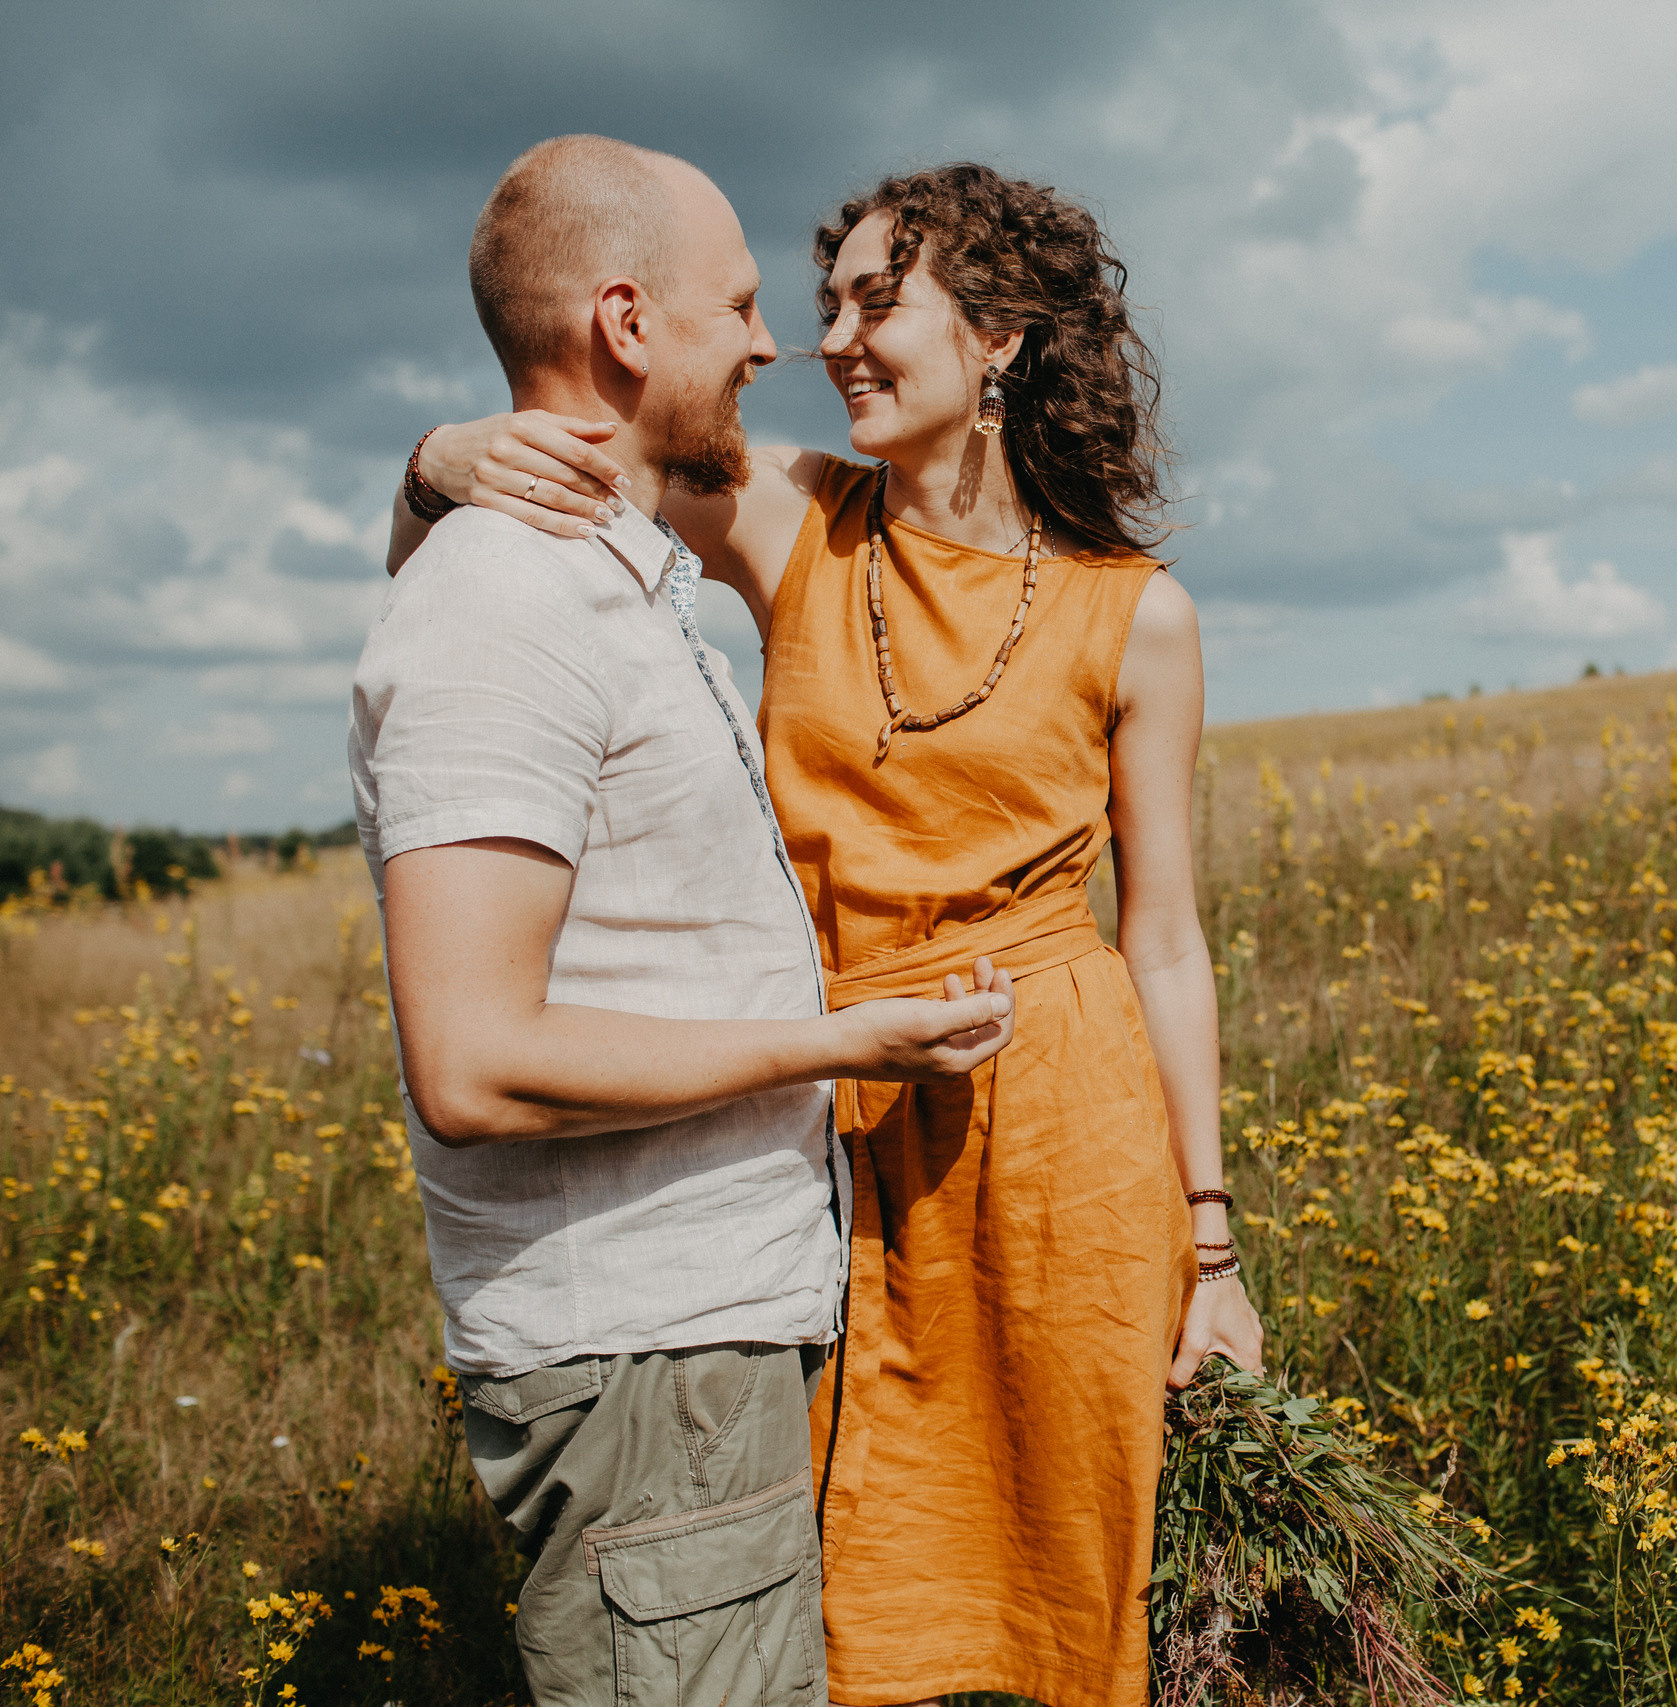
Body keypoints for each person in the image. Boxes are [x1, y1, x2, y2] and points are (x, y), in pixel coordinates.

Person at [394, 161, 1264, 1707]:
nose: (830, 341)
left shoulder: (1141, 614)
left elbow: (1170, 943)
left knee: (1070, 1586)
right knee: (838, 1586)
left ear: (999, 338)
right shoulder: (796, 517)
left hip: (1062, 1129)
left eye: (879, 301)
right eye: (819, 307)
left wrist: (1212, 1242)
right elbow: (578, 463)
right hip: (828, 1117)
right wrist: (433, 458)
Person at [356, 136, 1018, 1707]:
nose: (774, 344)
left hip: (696, 1343)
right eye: (739, 306)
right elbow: (473, 1062)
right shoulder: (505, 607)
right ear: (630, 325)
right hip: (643, 1355)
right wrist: (837, 1043)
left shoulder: (613, 577)